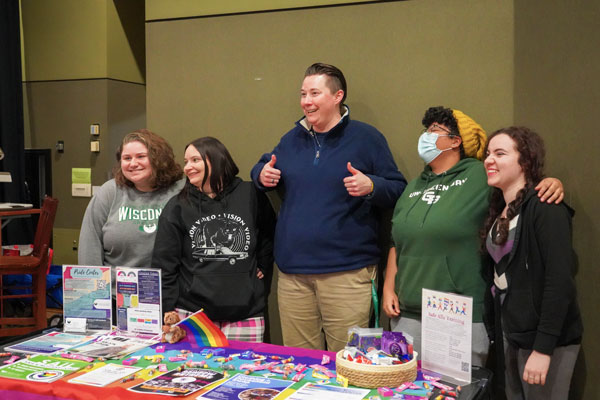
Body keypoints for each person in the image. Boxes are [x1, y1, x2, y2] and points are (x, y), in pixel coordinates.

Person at [382, 107, 563, 367]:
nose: (426, 137)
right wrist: (389, 287)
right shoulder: (414, 186)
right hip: (407, 312)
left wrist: (552, 183)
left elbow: (519, 188)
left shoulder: (480, 175)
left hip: (456, 315)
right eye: (426, 131)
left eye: (434, 131)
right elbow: (396, 241)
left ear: (456, 141)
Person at [251, 63, 407, 352]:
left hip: (347, 274)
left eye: (314, 93)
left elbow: (398, 188)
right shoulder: (291, 139)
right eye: (303, 94)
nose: (306, 101)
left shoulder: (367, 138)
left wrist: (371, 186)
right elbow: (262, 166)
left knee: (352, 362)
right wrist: (261, 174)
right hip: (293, 275)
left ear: (337, 96)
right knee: (301, 362)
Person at [483, 126, 582, 399]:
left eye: (500, 153)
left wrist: (543, 348)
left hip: (544, 341)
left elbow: (559, 281)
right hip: (511, 333)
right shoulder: (497, 207)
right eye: (488, 154)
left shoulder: (545, 205)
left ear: (525, 161)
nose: (489, 160)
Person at [152, 137, 275, 342]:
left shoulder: (250, 195)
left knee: (244, 372)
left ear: (216, 159)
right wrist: (167, 311)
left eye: (195, 160)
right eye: (186, 162)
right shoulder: (177, 206)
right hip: (193, 314)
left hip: (246, 313)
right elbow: (164, 262)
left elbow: (269, 233)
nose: (187, 167)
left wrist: (261, 264)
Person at [79, 129, 184, 269]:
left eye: (141, 156)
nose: (133, 163)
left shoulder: (180, 191)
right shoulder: (109, 192)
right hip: (115, 288)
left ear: (159, 159)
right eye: (127, 158)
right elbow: (89, 247)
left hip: (167, 287)